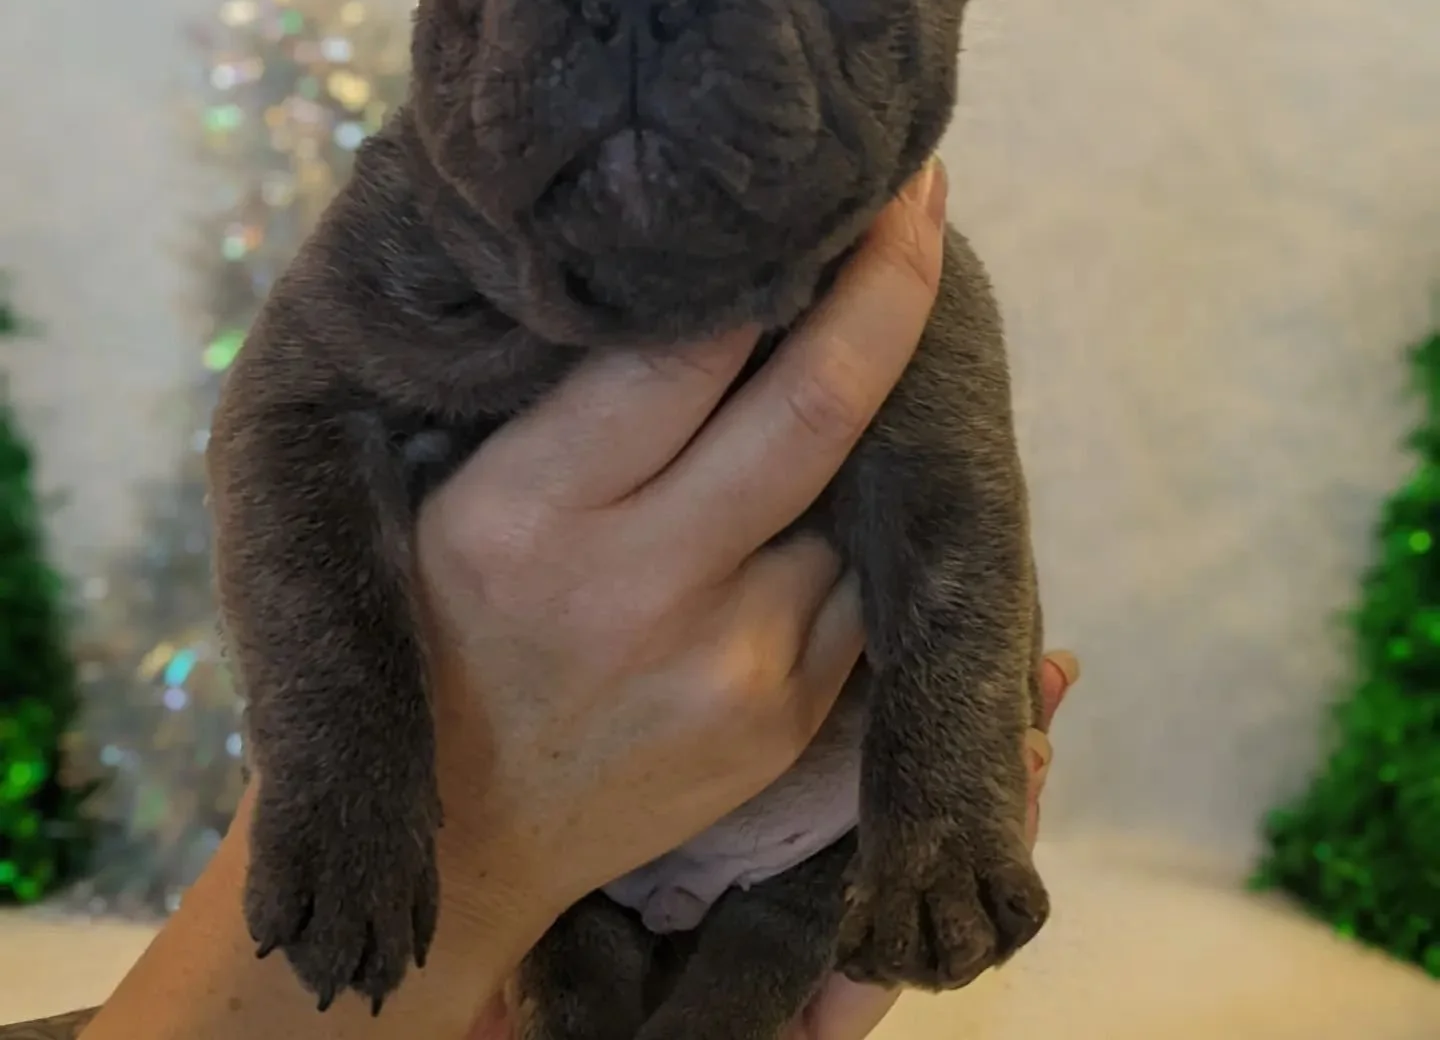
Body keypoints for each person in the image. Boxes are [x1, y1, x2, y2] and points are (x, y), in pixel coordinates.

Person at [22, 160, 1075, 1040]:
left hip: (816, 835)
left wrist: (950, 791)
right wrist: (372, 792)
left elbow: (961, 524)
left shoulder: (898, 269)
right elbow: (293, 424)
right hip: (539, 912)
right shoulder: (412, 221)